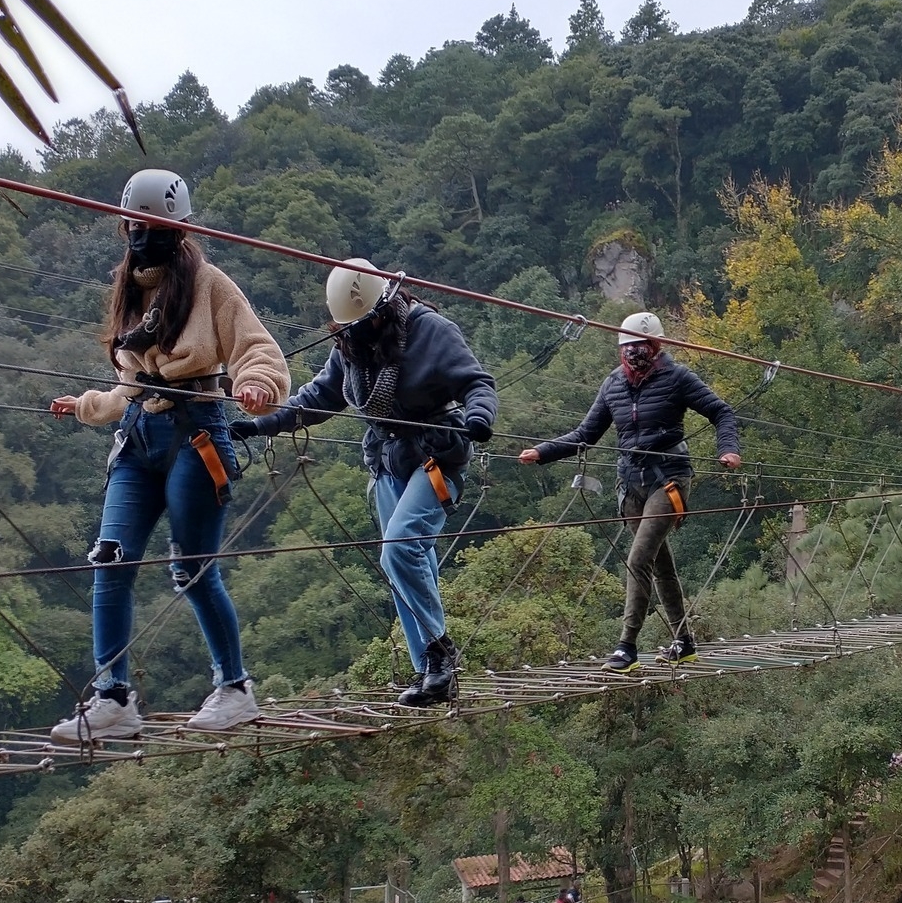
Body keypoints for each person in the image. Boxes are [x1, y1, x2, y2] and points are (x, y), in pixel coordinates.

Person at [48, 170, 289, 743]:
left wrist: (254, 387)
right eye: (133, 223)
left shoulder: (209, 285)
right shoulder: (128, 290)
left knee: (192, 566)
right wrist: (89, 405)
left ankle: (234, 688)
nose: (140, 234)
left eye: (152, 225)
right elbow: (129, 385)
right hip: (137, 435)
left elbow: (259, 351)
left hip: (197, 430)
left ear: (177, 230)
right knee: (110, 558)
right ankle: (113, 699)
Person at [236, 259, 496, 706]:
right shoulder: (350, 345)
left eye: (356, 326)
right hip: (389, 460)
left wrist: (480, 417)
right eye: (343, 329)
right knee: (405, 566)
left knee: (399, 549)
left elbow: (477, 383)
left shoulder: (430, 331)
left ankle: (440, 657)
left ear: (380, 310)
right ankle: (428, 671)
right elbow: (318, 396)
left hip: (437, 455)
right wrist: (261, 425)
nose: (348, 335)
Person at [519, 311, 741, 671]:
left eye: (640, 346)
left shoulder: (677, 377)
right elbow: (584, 435)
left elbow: (721, 412)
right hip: (630, 485)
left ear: (656, 346)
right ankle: (684, 641)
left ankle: (627, 646)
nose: (633, 353)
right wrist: (544, 451)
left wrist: (727, 449)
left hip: (668, 479)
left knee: (638, 560)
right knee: (660, 564)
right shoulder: (613, 385)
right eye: (627, 347)